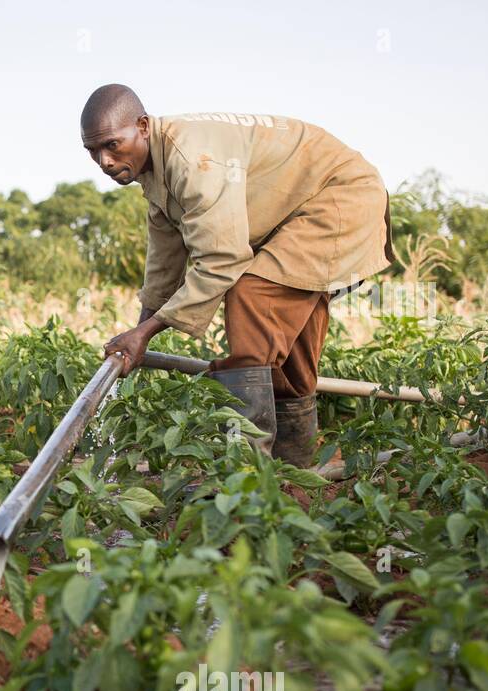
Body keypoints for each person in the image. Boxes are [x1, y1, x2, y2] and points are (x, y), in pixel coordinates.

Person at [84, 84, 395, 467]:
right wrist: (137, 336)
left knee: (253, 295)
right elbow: (163, 268)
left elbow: (221, 260)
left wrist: (145, 334)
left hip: (341, 195)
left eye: (112, 145)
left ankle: (245, 473)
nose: (105, 161)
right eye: (93, 151)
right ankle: (294, 468)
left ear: (143, 127)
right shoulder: (158, 176)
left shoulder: (191, 159)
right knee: (284, 341)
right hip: (306, 210)